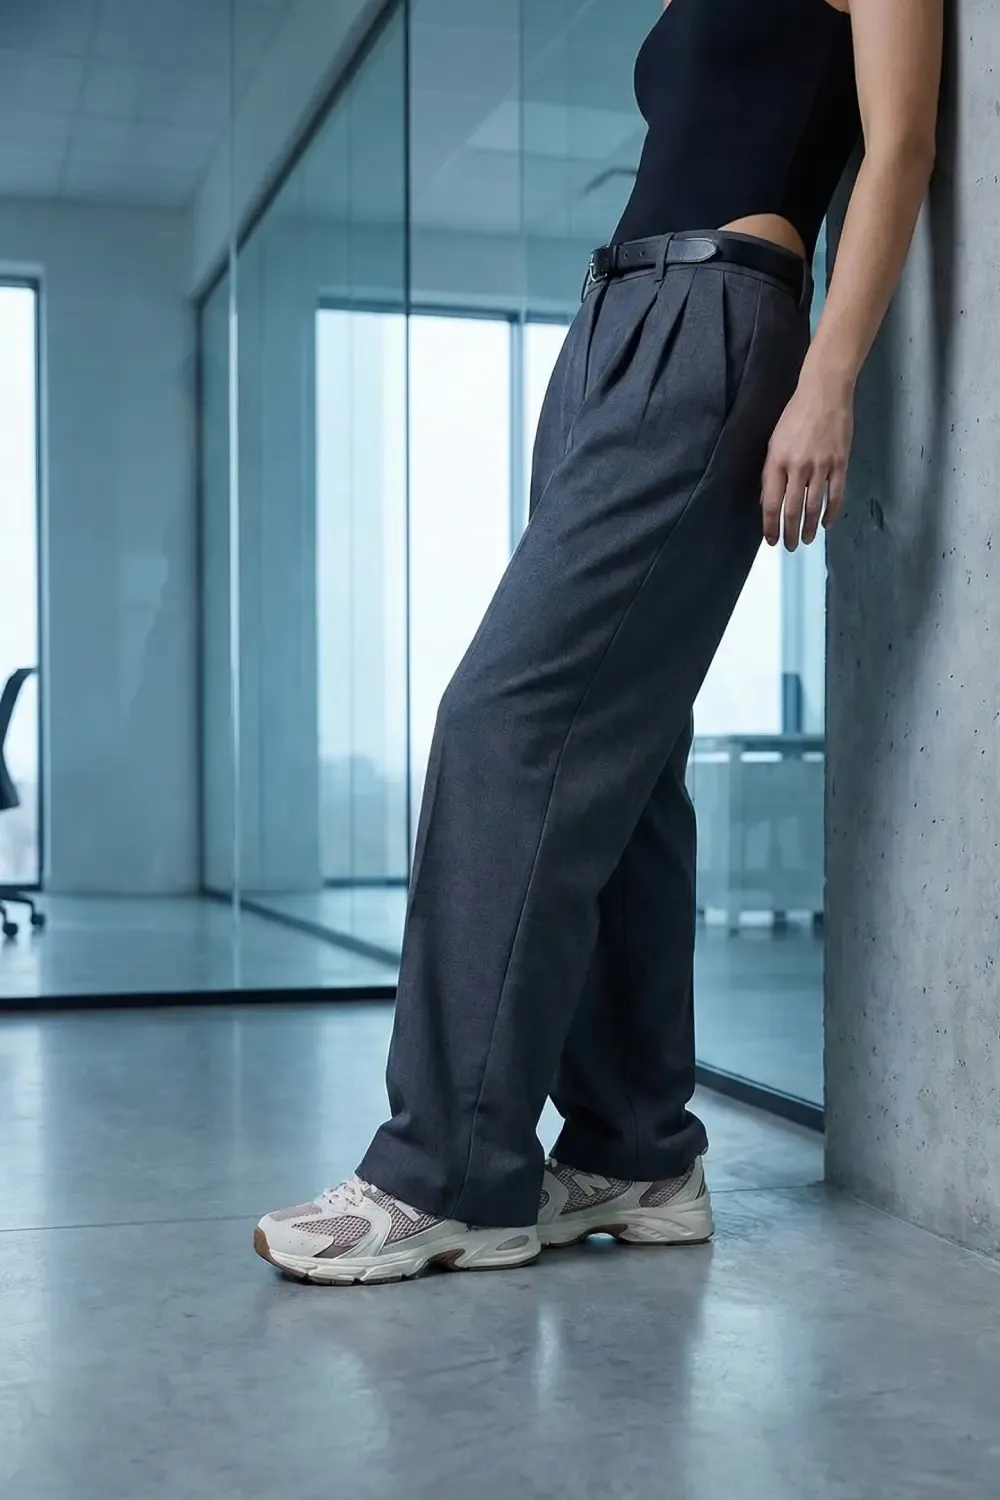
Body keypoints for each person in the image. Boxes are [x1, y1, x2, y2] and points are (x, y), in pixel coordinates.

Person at [255, 0, 943, 1284]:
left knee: (501, 721)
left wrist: (827, 380)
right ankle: (636, 1150)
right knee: (623, 763)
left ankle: (444, 1173)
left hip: (721, 311)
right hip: (609, 327)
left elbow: (900, 145)